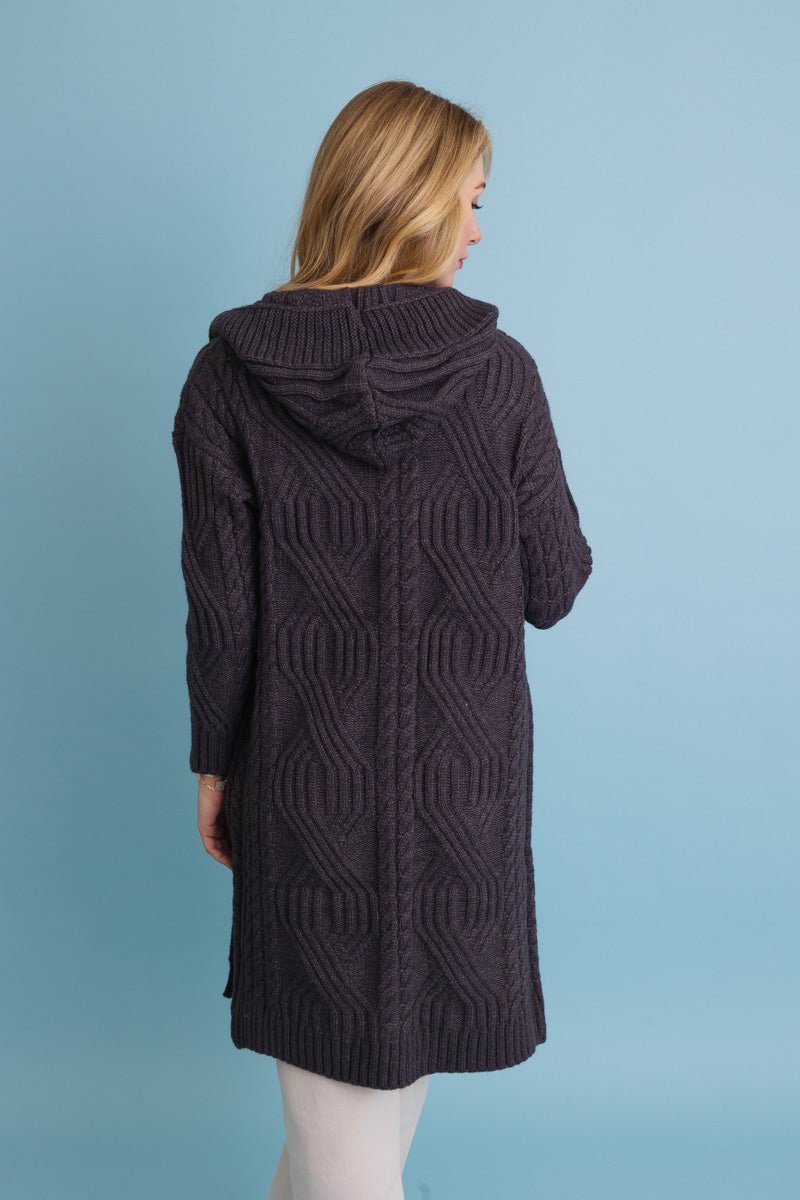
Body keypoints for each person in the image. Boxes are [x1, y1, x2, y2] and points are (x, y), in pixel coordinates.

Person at [172, 79, 592, 1200]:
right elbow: (554, 585)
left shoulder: (227, 378)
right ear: (406, 201)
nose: (476, 231)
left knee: (341, 1136)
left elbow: (223, 612)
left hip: (305, 792)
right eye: (468, 201)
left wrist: (214, 765)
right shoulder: (499, 375)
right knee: (359, 1141)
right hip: (461, 797)